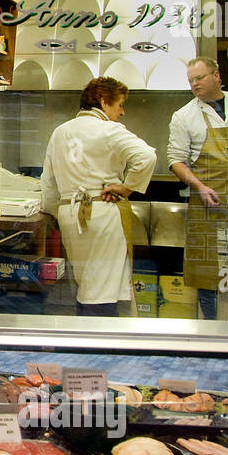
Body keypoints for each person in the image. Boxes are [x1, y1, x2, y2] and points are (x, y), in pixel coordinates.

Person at [41, 78, 157, 317]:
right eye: (119, 105)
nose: (122, 112)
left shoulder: (60, 132)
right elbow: (146, 157)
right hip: (100, 211)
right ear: (104, 102)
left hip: (69, 213)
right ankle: (99, 347)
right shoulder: (109, 130)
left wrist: (55, 213)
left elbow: (48, 184)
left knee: (86, 282)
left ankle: (89, 339)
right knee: (101, 287)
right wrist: (126, 188)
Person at [166, 57, 228, 321]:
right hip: (207, 205)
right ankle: (214, 327)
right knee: (207, 271)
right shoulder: (184, 116)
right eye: (190, 80)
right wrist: (199, 187)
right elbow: (175, 160)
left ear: (216, 75)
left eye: (199, 78)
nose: (194, 84)